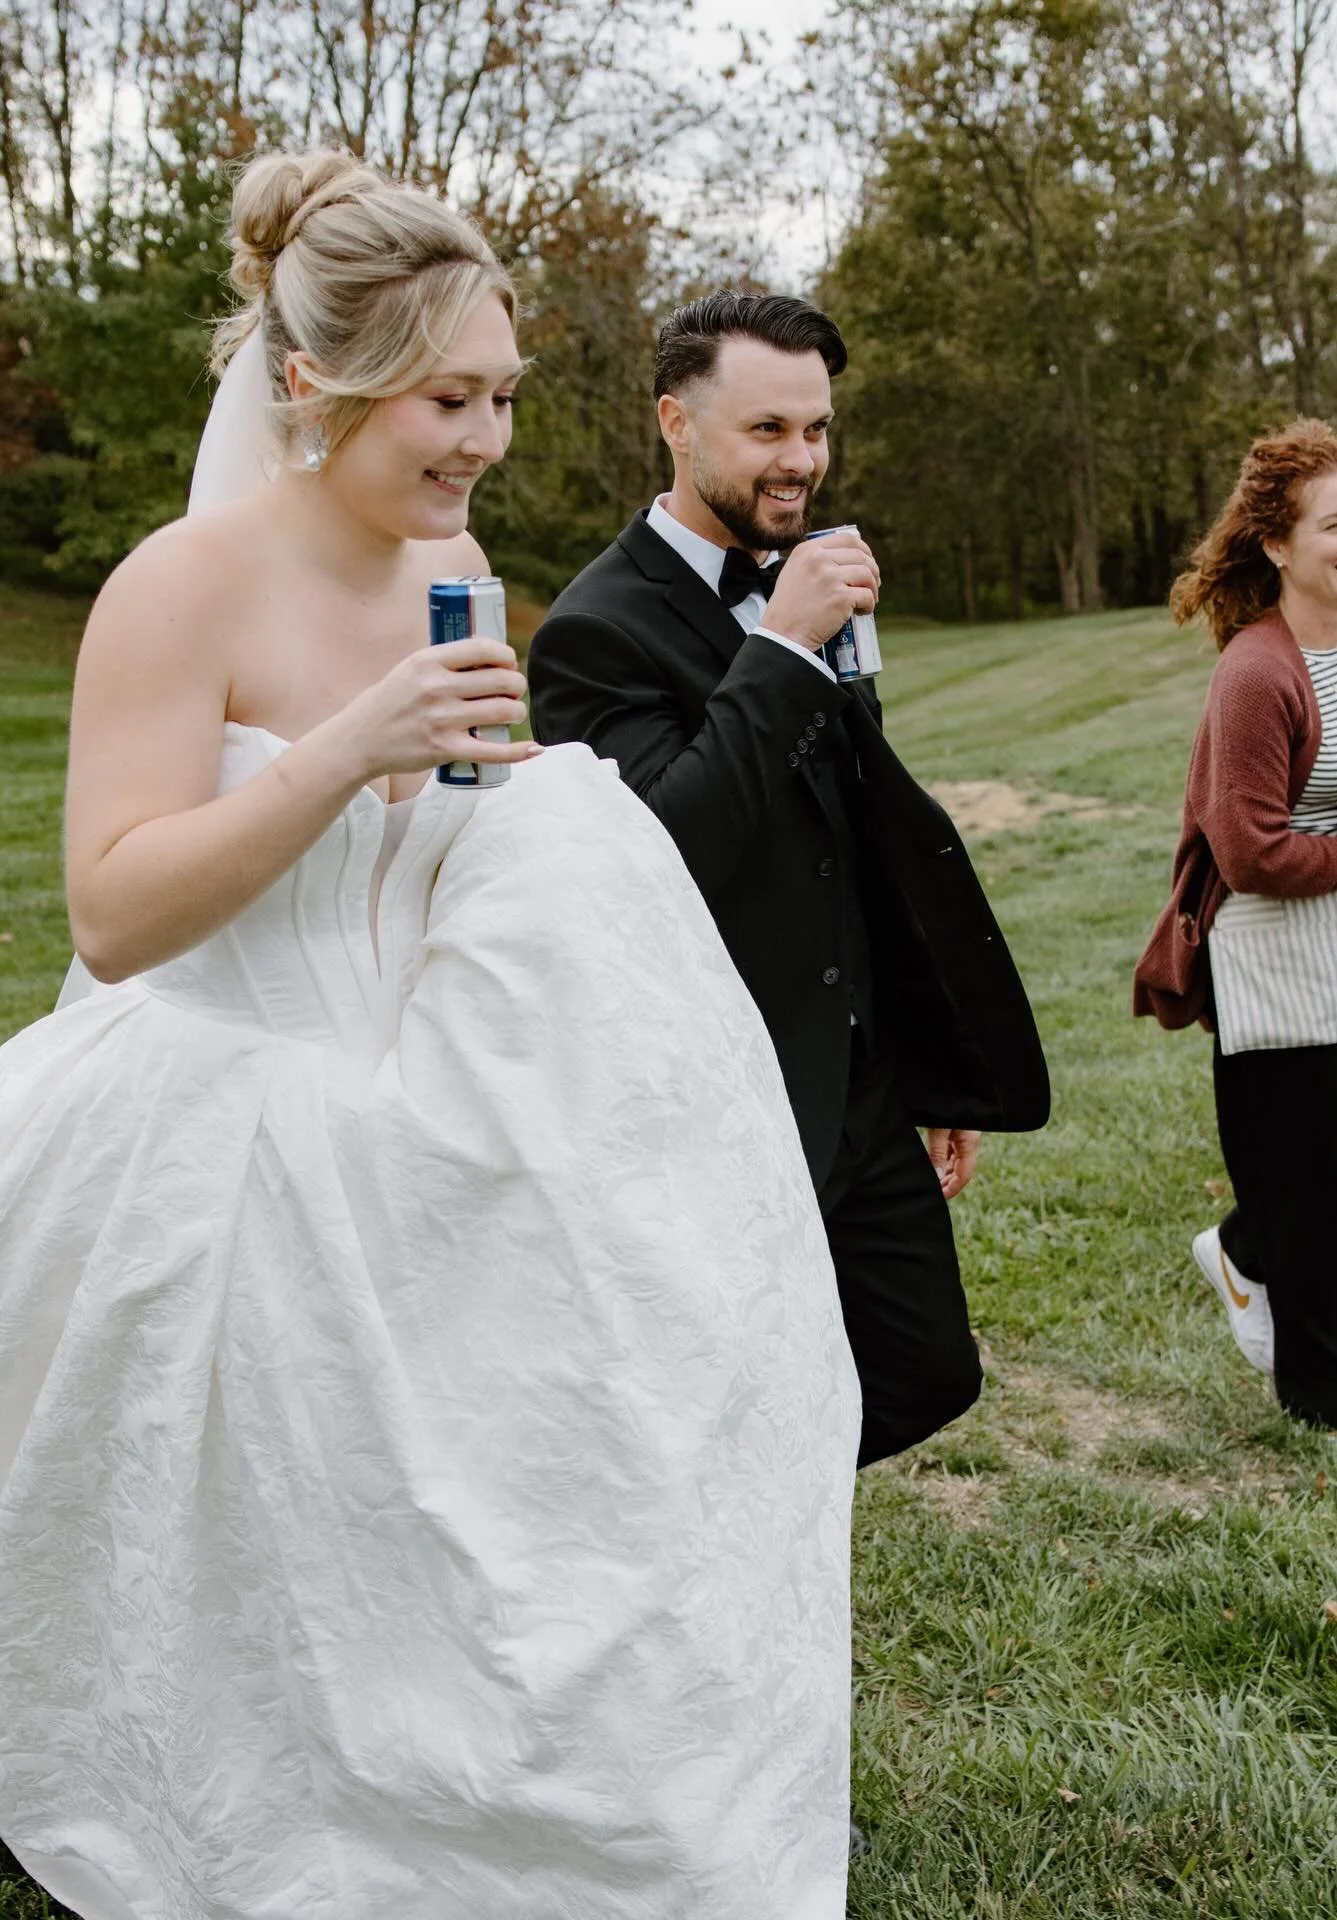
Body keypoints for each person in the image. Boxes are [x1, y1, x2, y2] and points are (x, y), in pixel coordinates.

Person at [0, 152, 862, 1919]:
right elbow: (115, 911)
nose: (484, 441)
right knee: (219, 1540)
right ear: (314, 383)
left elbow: (450, 809)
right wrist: (342, 754)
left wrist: (514, 799)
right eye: (447, 400)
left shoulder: (454, 561)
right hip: (213, 1107)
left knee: (461, 1529)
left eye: (502, 398)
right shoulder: (178, 590)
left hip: (428, 1105)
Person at [526, 291, 1049, 1470]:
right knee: (730, 1388)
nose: (802, 460)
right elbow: (657, 853)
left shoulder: (811, 582)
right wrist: (777, 652)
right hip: (717, 1095)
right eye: (768, 430)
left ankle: (741, 1534)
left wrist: (921, 1058)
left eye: (816, 429)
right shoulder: (593, 631)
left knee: (926, 1369)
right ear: (676, 421)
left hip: (858, 1077)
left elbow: (855, 843)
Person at [1134, 418, 1337, 1464]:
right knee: (1325, 1188)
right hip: (1275, 952)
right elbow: (1251, 850)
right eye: (1335, 524)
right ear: (1276, 543)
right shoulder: (1257, 675)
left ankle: (1246, 1247)